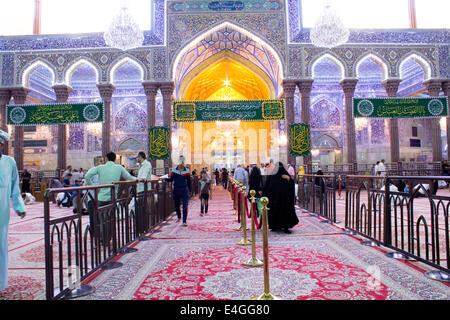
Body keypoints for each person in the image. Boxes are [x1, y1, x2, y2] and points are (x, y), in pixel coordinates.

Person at [85, 152, 137, 244]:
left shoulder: (100, 167)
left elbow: (87, 176)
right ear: (115, 159)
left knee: (102, 220)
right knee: (110, 219)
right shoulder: (119, 167)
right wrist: (140, 179)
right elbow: (129, 177)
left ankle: (103, 240)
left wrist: (94, 188)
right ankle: (108, 238)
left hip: (100, 198)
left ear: (106, 159)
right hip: (112, 198)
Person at [0, 130, 26, 290]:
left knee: (1, 248)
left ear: (2, 145)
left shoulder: (9, 163)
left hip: (1, 214)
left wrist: (19, 207)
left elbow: (15, 188)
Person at [262, 162, 299, 234]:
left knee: (284, 212)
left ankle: (285, 227)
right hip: (275, 200)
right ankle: (275, 226)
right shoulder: (272, 177)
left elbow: (291, 186)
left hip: (284, 200)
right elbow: (267, 187)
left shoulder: (285, 176)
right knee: (275, 212)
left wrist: (289, 179)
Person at [165, 155, 191, 226]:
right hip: (176, 190)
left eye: (183, 161)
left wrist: (190, 191)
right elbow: (171, 179)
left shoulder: (187, 171)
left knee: (185, 205)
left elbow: (189, 182)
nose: (181, 163)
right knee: (176, 205)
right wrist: (164, 179)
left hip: (184, 190)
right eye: (180, 161)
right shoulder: (174, 170)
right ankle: (179, 216)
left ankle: (184, 221)